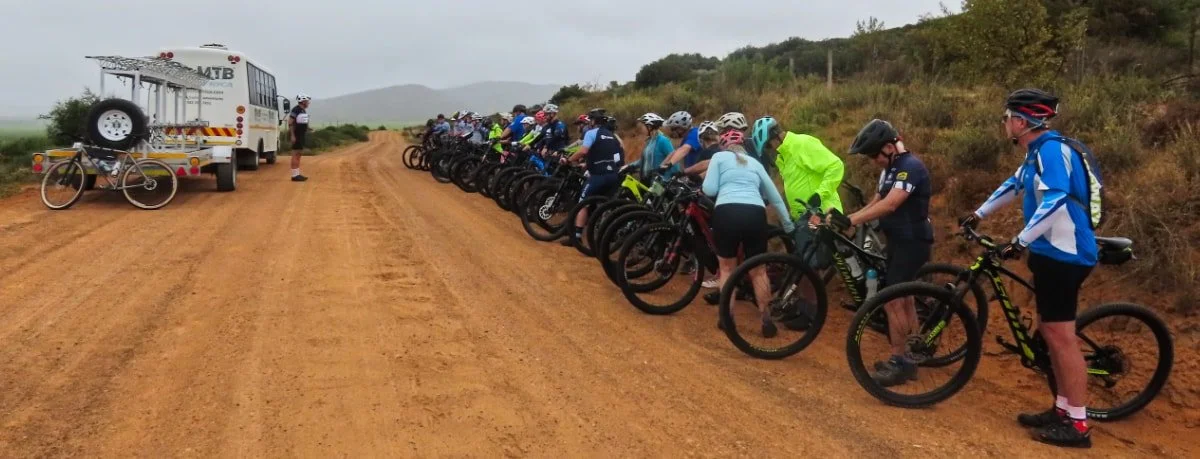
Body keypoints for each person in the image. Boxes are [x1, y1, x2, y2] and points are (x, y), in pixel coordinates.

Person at [961, 88, 1098, 449]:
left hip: (1066, 256)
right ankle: (1062, 409)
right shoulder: (1037, 151)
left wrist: (1019, 240)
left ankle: (1079, 424)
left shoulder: (1053, 150)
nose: (1004, 124)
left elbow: (1055, 199)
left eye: (1007, 118)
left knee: (1062, 337)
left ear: (1021, 122)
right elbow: (1013, 185)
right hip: (1049, 252)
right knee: (1049, 332)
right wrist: (979, 213)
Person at [844, 118, 933, 388]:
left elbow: (892, 204)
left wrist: (852, 221)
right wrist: (850, 218)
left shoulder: (910, 167)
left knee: (893, 300)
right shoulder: (893, 169)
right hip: (898, 241)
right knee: (904, 299)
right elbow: (878, 200)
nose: (874, 160)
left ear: (889, 147)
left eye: (874, 154)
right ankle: (913, 355)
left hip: (912, 242)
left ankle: (900, 362)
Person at [702, 129, 794, 337]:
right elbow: (775, 198)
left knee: (726, 269)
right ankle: (766, 319)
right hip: (755, 213)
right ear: (744, 147)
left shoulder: (719, 157)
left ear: (724, 146)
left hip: (726, 212)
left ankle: (727, 317)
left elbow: (709, 190)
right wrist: (788, 225)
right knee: (759, 270)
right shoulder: (755, 163)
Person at [753, 116, 843, 221]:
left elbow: (836, 166)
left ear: (775, 135)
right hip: (807, 219)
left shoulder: (802, 143)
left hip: (825, 213)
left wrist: (819, 195)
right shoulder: (782, 158)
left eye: (768, 145)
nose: (770, 149)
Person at [561, 109, 624, 245]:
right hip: (613, 175)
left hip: (598, 176)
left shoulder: (591, 133)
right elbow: (612, 156)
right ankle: (606, 238)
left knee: (583, 203)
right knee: (604, 206)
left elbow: (583, 151)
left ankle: (576, 237)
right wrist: (587, 164)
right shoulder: (612, 136)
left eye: (590, 120)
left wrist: (569, 160)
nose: (589, 122)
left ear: (594, 121)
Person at [625, 113, 677, 179]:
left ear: (649, 127)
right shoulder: (649, 141)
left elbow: (674, 158)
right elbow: (644, 160)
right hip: (647, 180)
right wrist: (630, 166)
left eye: (643, 126)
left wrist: (674, 177)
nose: (641, 129)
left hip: (659, 182)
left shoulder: (663, 140)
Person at [287, 94, 311, 182]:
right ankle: (294, 175)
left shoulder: (302, 110)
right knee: (295, 154)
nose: (308, 103)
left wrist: (308, 128)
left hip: (301, 135)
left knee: (299, 154)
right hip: (296, 135)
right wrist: (292, 135)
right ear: (303, 101)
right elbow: (290, 122)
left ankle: (297, 174)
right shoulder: (296, 109)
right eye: (307, 101)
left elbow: (302, 122)